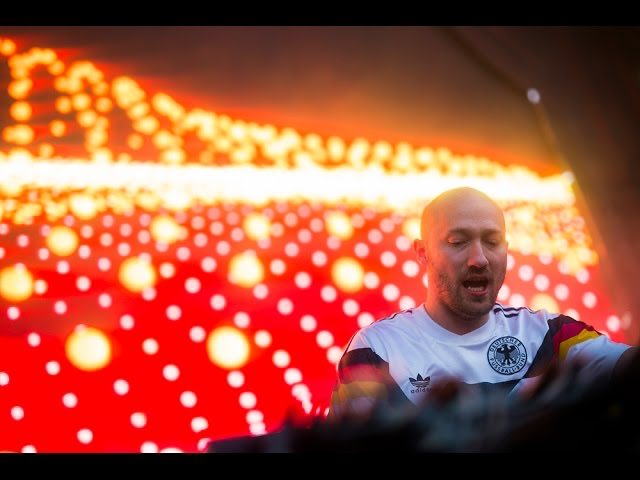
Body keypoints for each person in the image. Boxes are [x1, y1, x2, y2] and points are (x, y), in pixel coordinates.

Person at [328, 187, 637, 419]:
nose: (479, 259)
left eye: (492, 242)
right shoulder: (377, 348)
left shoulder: (551, 335)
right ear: (422, 253)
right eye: (457, 241)